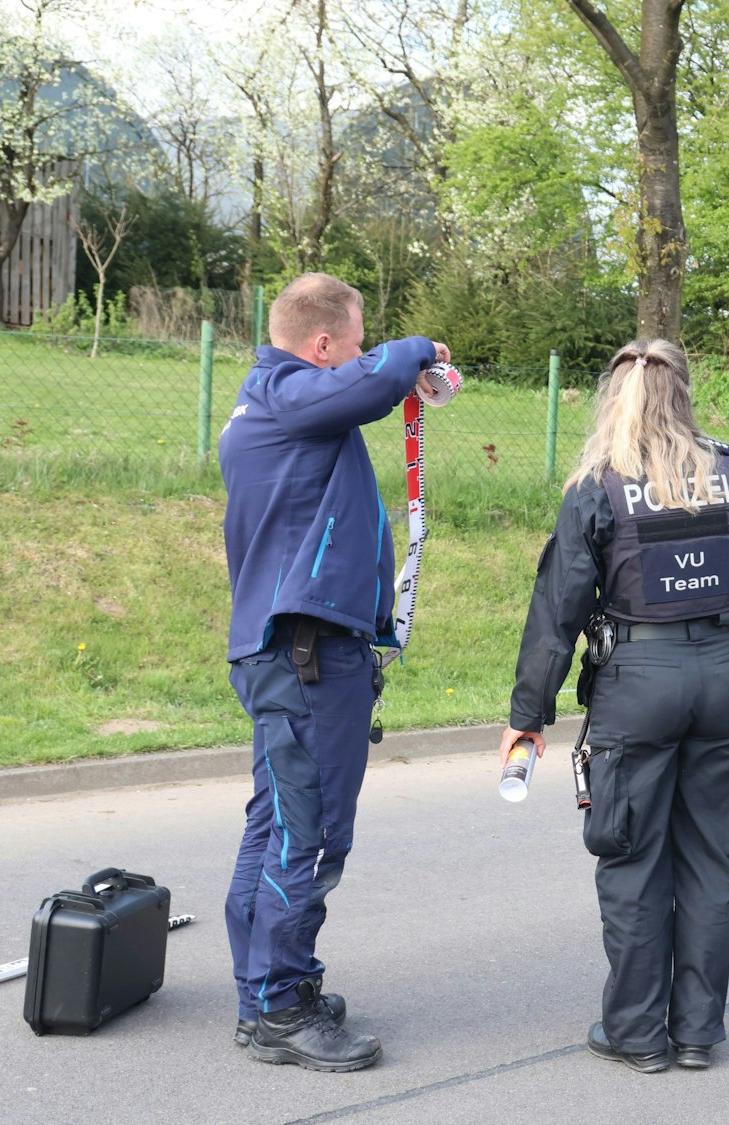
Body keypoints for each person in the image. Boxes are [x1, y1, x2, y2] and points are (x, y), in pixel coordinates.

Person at [502, 338, 729, 1073]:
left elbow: (559, 611)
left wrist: (528, 716)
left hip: (637, 682)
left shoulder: (598, 487)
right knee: (713, 857)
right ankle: (697, 1032)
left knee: (633, 856)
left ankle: (637, 1034)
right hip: (727, 678)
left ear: (614, 399)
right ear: (685, 395)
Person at [219, 273, 448, 1071]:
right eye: (352, 345)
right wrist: (416, 352)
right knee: (310, 833)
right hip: (309, 657)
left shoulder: (274, 404)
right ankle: (281, 1004)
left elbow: (363, 388)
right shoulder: (289, 397)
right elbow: (377, 381)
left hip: (291, 652)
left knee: (276, 823)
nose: (361, 360)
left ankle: (265, 995)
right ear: (322, 347)